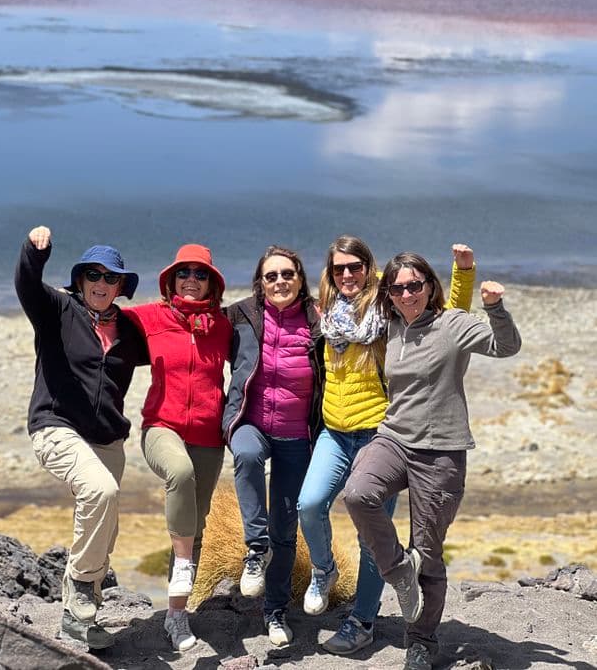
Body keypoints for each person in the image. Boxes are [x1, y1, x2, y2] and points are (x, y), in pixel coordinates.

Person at [342, 252, 521, 670]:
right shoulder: (391, 326)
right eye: (398, 288)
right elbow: (349, 293)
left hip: (441, 451)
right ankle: (398, 570)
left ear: (429, 286)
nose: (407, 294)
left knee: (429, 551)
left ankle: (421, 641)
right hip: (394, 439)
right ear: (389, 293)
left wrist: (494, 307)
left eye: (414, 285)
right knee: (358, 493)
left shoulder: (453, 324)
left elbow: (506, 346)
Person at [297, 238, 475, 655]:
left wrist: (464, 273)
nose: (347, 274)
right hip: (334, 431)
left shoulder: (386, 308)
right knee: (310, 504)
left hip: (379, 432)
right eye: (338, 268)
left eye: (355, 266)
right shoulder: (325, 312)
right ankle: (325, 570)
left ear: (368, 267)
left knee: (370, 537)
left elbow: (445, 312)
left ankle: (362, 621)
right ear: (329, 273)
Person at [15, 225, 149, 649]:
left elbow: (174, 346)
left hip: (108, 438)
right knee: (100, 491)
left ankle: (76, 621)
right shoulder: (57, 308)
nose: (101, 283)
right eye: (94, 274)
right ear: (80, 279)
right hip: (56, 426)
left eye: (111, 277)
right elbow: (26, 284)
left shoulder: (129, 330)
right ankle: (78, 584)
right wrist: (35, 251)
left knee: (103, 530)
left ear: (121, 287)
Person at [125, 244, 232, 653]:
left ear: (211, 283)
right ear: (171, 280)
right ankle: (184, 565)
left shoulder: (224, 325)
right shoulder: (151, 317)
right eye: (183, 272)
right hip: (161, 427)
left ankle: (176, 615)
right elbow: (97, 317)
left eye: (200, 274)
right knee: (179, 472)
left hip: (208, 437)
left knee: (196, 527)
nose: (191, 279)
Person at [223, 245, 324, 648]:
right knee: (246, 454)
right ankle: (254, 547)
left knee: (286, 528)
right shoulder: (240, 316)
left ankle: (276, 610)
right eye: (271, 276)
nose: (280, 281)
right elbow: (195, 327)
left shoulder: (318, 319)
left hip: (297, 437)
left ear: (300, 278)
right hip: (251, 424)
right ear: (260, 283)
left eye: (287, 274)